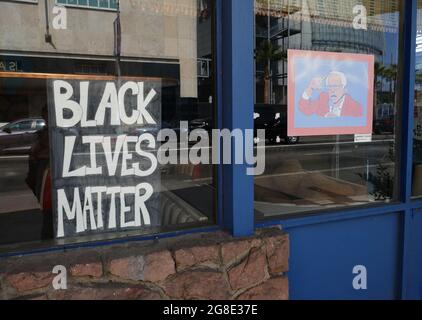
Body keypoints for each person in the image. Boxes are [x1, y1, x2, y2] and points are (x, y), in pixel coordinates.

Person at [26, 104, 53, 240]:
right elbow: (33, 156)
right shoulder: (41, 135)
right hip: (46, 177)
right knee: (49, 213)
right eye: (46, 114)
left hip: (53, 176)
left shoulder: (63, 133)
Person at [299, 71, 363, 118]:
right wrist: (310, 88)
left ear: (344, 89)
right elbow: (306, 109)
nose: (332, 90)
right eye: (329, 86)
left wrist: (338, 121)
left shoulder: (355, 106)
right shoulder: (323, 98)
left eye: (335, 86)